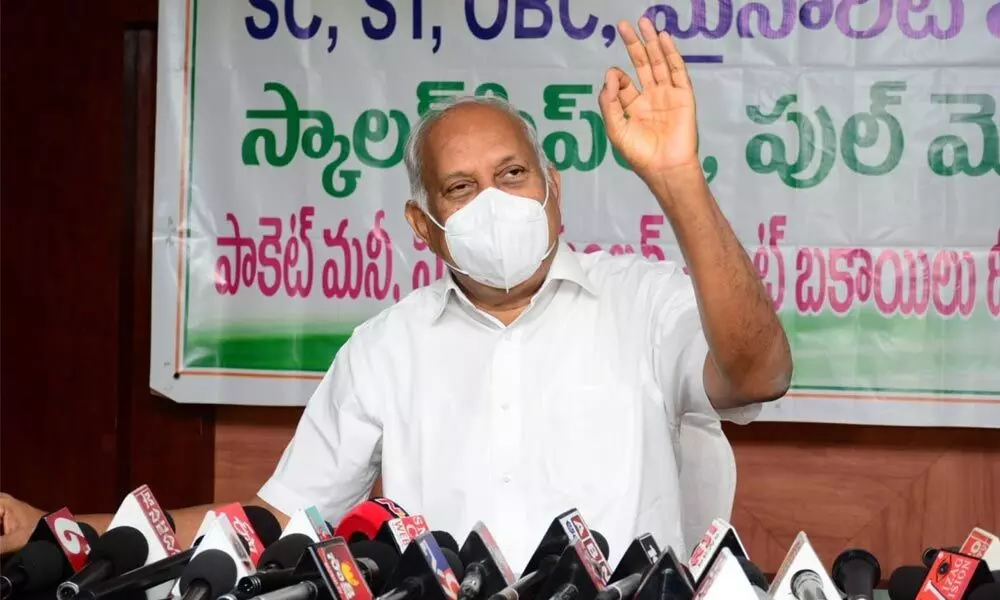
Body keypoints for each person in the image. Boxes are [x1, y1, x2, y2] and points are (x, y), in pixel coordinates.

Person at [0, 17, 791, 567]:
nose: (495, 199)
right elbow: (277, 523)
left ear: (554, 190)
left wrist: (676, 177)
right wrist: (66, 533)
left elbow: (759, 375)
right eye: (462, 186)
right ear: (424, 224)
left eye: (514, 175)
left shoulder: (644, 302)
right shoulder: (387, 347)